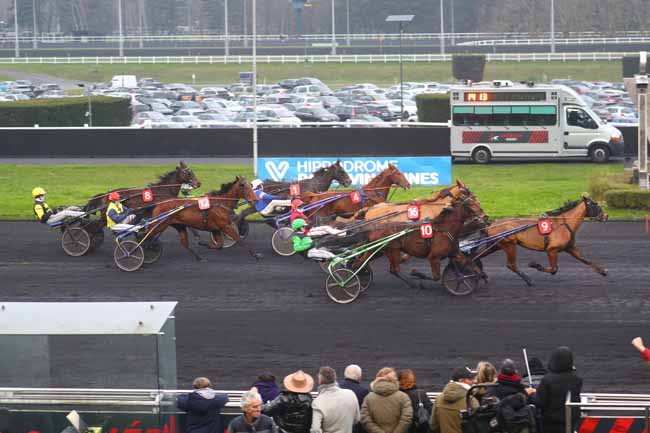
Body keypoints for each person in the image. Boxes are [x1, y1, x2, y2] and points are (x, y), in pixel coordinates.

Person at [534, 347, 583, 433]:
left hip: (551, 424)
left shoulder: (547, 380)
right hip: (571, 422)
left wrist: (530, 395)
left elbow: (540, 402)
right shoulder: (577, 379)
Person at [361, 367, 413, 433]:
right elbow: (407, 418)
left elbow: (365, 419)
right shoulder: (403, 397)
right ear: (394, 380)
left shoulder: (368, 398)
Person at [311, 366, 360, 433]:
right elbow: (357, 418)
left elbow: (315, 430)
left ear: (320, 381)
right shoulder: (351, 394)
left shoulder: (318, 402)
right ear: (335, 378)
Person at [430, 367, 478, 433]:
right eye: (470, 379)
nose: (474, 381)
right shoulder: (471, 401)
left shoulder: (438, 399)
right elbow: (478, 427)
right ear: (461, 380)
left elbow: (433, 426)